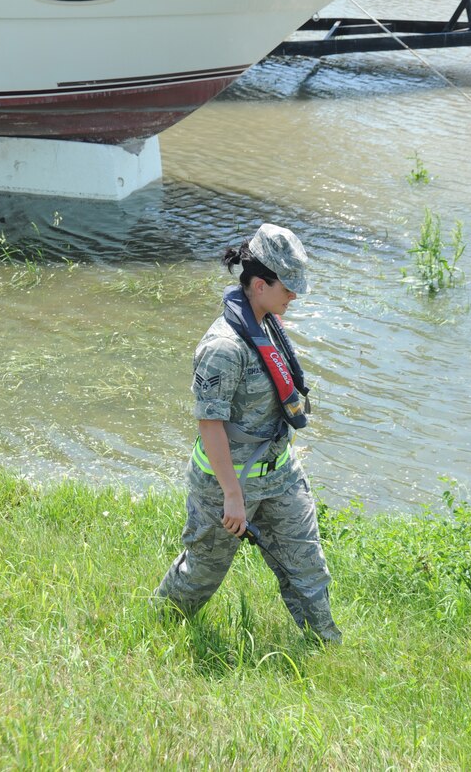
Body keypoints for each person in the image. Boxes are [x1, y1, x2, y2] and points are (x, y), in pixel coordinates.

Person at [154, 223, 342, 643]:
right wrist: (233, 496)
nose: (294, 296)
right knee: (202, 571)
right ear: (260, 285)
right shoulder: (224, 347)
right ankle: (156, 629)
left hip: (280, 477)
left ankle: (327, 646)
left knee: (308, 567)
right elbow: (210, 425)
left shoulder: (267, 322)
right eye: (288, 288)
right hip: (229, 486)